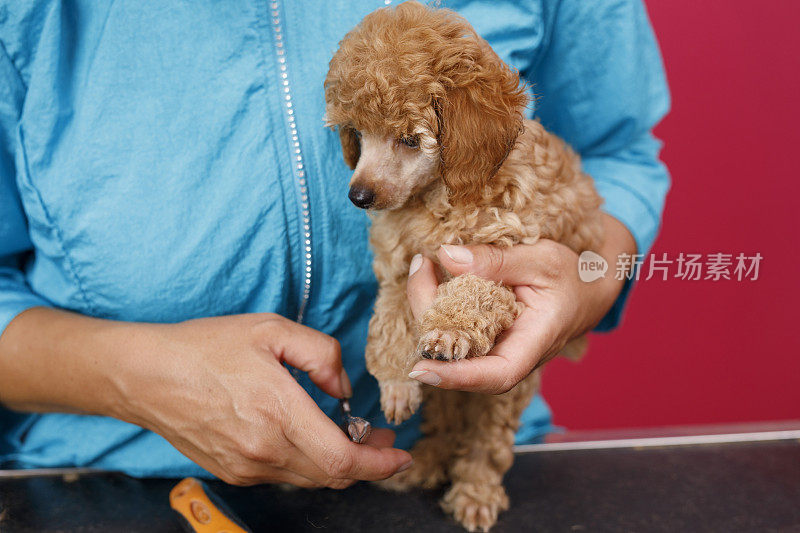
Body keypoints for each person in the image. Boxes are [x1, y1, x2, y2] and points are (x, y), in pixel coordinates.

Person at [0, 0, 669, 487]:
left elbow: (619, 154)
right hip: (111, 481)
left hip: (453, 461)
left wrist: (588, 275)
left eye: (406, 141)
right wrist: (132, 377)